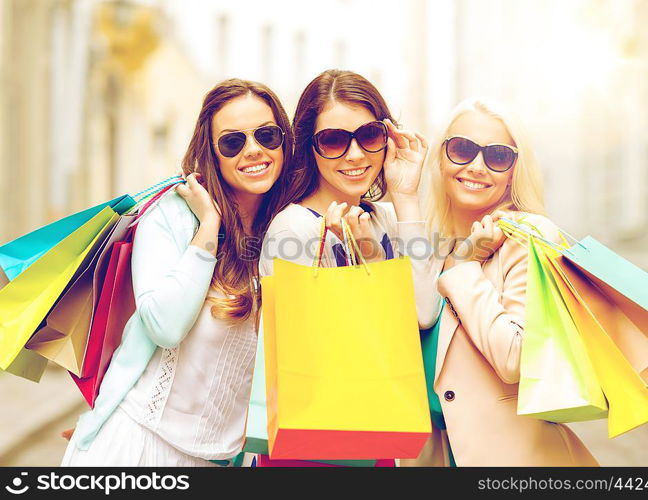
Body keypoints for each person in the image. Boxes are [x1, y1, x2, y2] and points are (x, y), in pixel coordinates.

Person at [62, 78, 295, 466]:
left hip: (220, 460)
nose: (253, 150)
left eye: (267, 135)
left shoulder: (286, 230)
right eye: (232, 142)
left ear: (284, 142)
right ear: (212, 153)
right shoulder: (172, 216)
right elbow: (164, 326)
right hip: (138, 446)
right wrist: (209, 226)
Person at [403, 97, 599, 466]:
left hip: (513, 460)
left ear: (514, 170)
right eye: (461, 149)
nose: (476, 167)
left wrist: (466, 268)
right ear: (441, 158)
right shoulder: (431, 246)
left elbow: (515, 357)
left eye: (497, 156)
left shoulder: (529, 236)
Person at [255, 69, 435, 466]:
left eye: (369, 136)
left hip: (374, 433)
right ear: (309, 148)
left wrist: (406, 198)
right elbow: (314, 351)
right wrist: (358, 263)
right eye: (334, 140)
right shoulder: (295, 228)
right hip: (313, 440)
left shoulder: (387, 218)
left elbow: (423, 312)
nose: (355, 155)